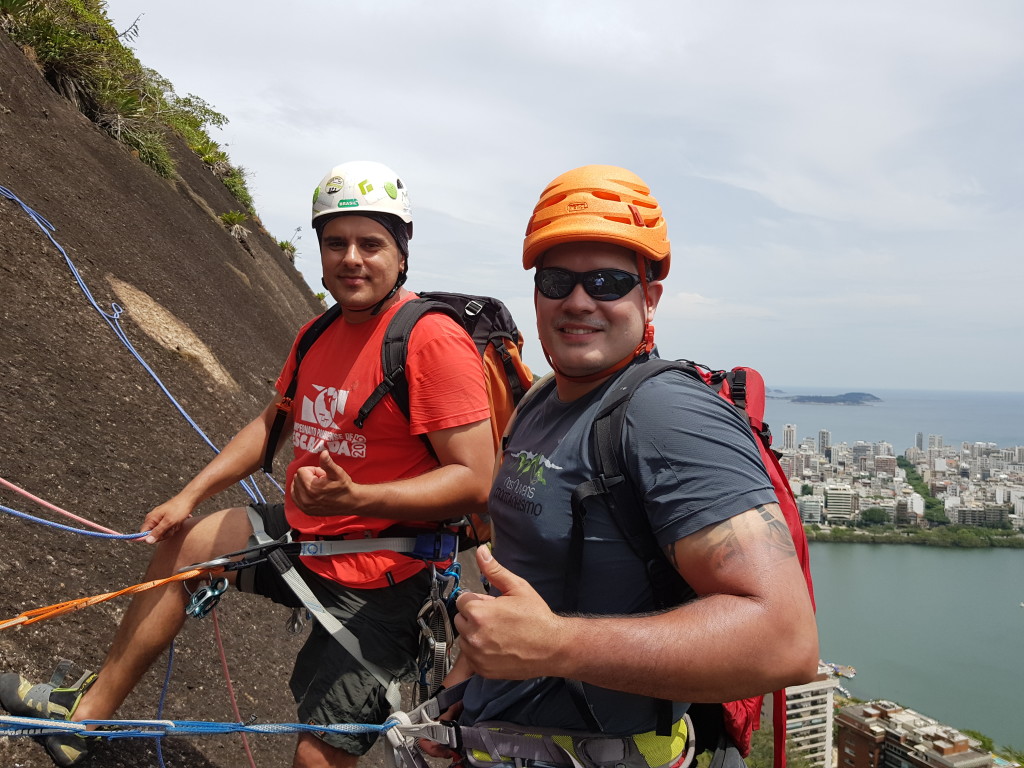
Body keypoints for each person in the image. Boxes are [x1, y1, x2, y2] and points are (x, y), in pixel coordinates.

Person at [0, 161, 496, 768]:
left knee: (318, 756)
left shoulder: (430, 341)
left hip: (387, 573)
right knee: (188, 547)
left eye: (372, 243)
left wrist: (357, 500)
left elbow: (475, 480)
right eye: (336, 243)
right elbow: (271, 425)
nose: (352, 259)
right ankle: (85, 721)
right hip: (312, 534)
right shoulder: (318, 333)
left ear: (401, 253)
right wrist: (190, 495)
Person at [428, 165, 819, 768]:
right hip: (497, 735)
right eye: (557, 279)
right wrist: (464, 688)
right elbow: (524, 579)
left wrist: (556, 645)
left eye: (608, 282)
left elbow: (785, 640)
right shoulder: (539, 400)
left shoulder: (666, 414)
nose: (578, 300)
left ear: (650, 297)